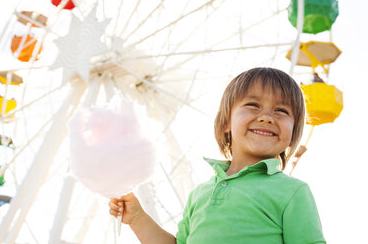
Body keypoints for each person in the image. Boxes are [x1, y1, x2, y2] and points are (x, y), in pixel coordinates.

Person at [109, 67, 326, 244]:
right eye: (253, 105)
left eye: (282, 111)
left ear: (293, 132)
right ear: (225, 124)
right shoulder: (199, 195)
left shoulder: (292, 192)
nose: (267, 117)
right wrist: (137, 218)